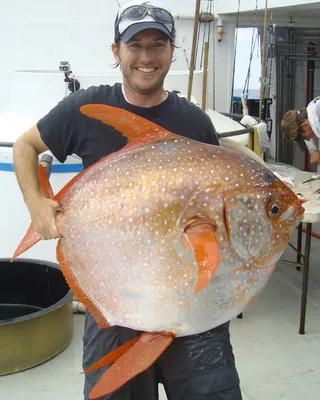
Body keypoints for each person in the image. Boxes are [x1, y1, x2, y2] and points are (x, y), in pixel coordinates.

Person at [13, 0, 243, 399]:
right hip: (115, 299)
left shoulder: (194, 122)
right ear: (116, 51)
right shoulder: (83, 108)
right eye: (135, 45)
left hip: (187, 302)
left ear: (173, 51)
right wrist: (37, 204)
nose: (146, 57)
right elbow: (25, 145)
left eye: (158, 45)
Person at [281, 96, 320, 164]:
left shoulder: (316, 124)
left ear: (304, 125)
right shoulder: (312, 107)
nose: (308, 140)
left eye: (304, 137)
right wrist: (313, 150)